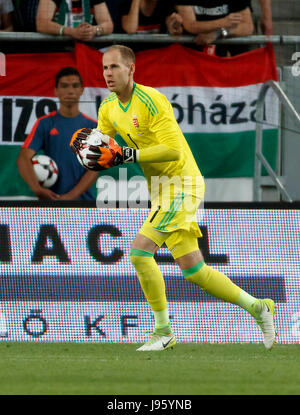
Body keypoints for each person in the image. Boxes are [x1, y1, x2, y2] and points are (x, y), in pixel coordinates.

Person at [71, 45, 276, 351]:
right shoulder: (109, 108)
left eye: (114, 67)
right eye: (104, 68)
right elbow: (104, 149)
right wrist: (93, 155)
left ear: (131, 69)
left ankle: (163, 331)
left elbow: (173, 150)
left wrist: (127, 154)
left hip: (182, 183)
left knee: (140, 252)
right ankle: (258, 307)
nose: (108, 74)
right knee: (194, 270)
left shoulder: (152, 100)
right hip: (161, 189)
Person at [17, 67, 98, 201]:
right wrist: (37, 189)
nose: (70, 91)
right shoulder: (44, 123)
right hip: (51, 203)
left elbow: (94, 169)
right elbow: (23, 159)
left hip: (85, 205)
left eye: (75, 86)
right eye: (64, 86)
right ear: (56, 91)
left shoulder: (93, 126)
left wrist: (70, 197)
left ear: (81, 90)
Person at [175, 1, 254, 56]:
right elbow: (190, 25)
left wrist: (218, 33)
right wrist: (223, 22)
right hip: (192, 56)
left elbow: (248, 26)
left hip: (229, 58)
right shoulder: (224, 21)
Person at [36, 0, 113, 40]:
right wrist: (71, 32)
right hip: (57, 51)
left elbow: (108, 25)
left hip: (87, 51)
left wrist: (94, 30)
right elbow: (41, 23)